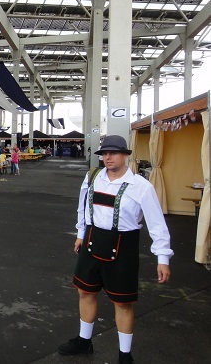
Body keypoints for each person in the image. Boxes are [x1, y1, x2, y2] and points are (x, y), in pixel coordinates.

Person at [58, 135, 173, 364]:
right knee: (85, 292)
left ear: (126, 155)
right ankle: (84, 341)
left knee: (122, 302)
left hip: (123, 246)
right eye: (104, 154)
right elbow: (83, 208)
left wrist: (163, 257)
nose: (108, 157)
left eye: (113, 153)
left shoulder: (141, 186)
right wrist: (81, 234)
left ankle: (124, 355)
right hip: (92, 240)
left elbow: (156, 223)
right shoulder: (92, 177)